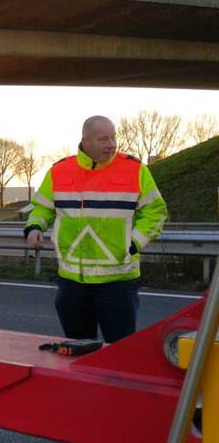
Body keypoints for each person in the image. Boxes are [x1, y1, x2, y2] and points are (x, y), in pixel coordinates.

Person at [25, 116, 168, 343]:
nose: (111, 144)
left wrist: (134, 243)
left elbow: (155, 213)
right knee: (77, 353)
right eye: (104, 139)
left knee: (120, 354)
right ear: (86, 141)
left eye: (113, 138)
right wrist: (34, 227)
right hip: (72, 282)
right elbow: (42, 208)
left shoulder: (136, 170)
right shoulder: (59, 171)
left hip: (118, 281)